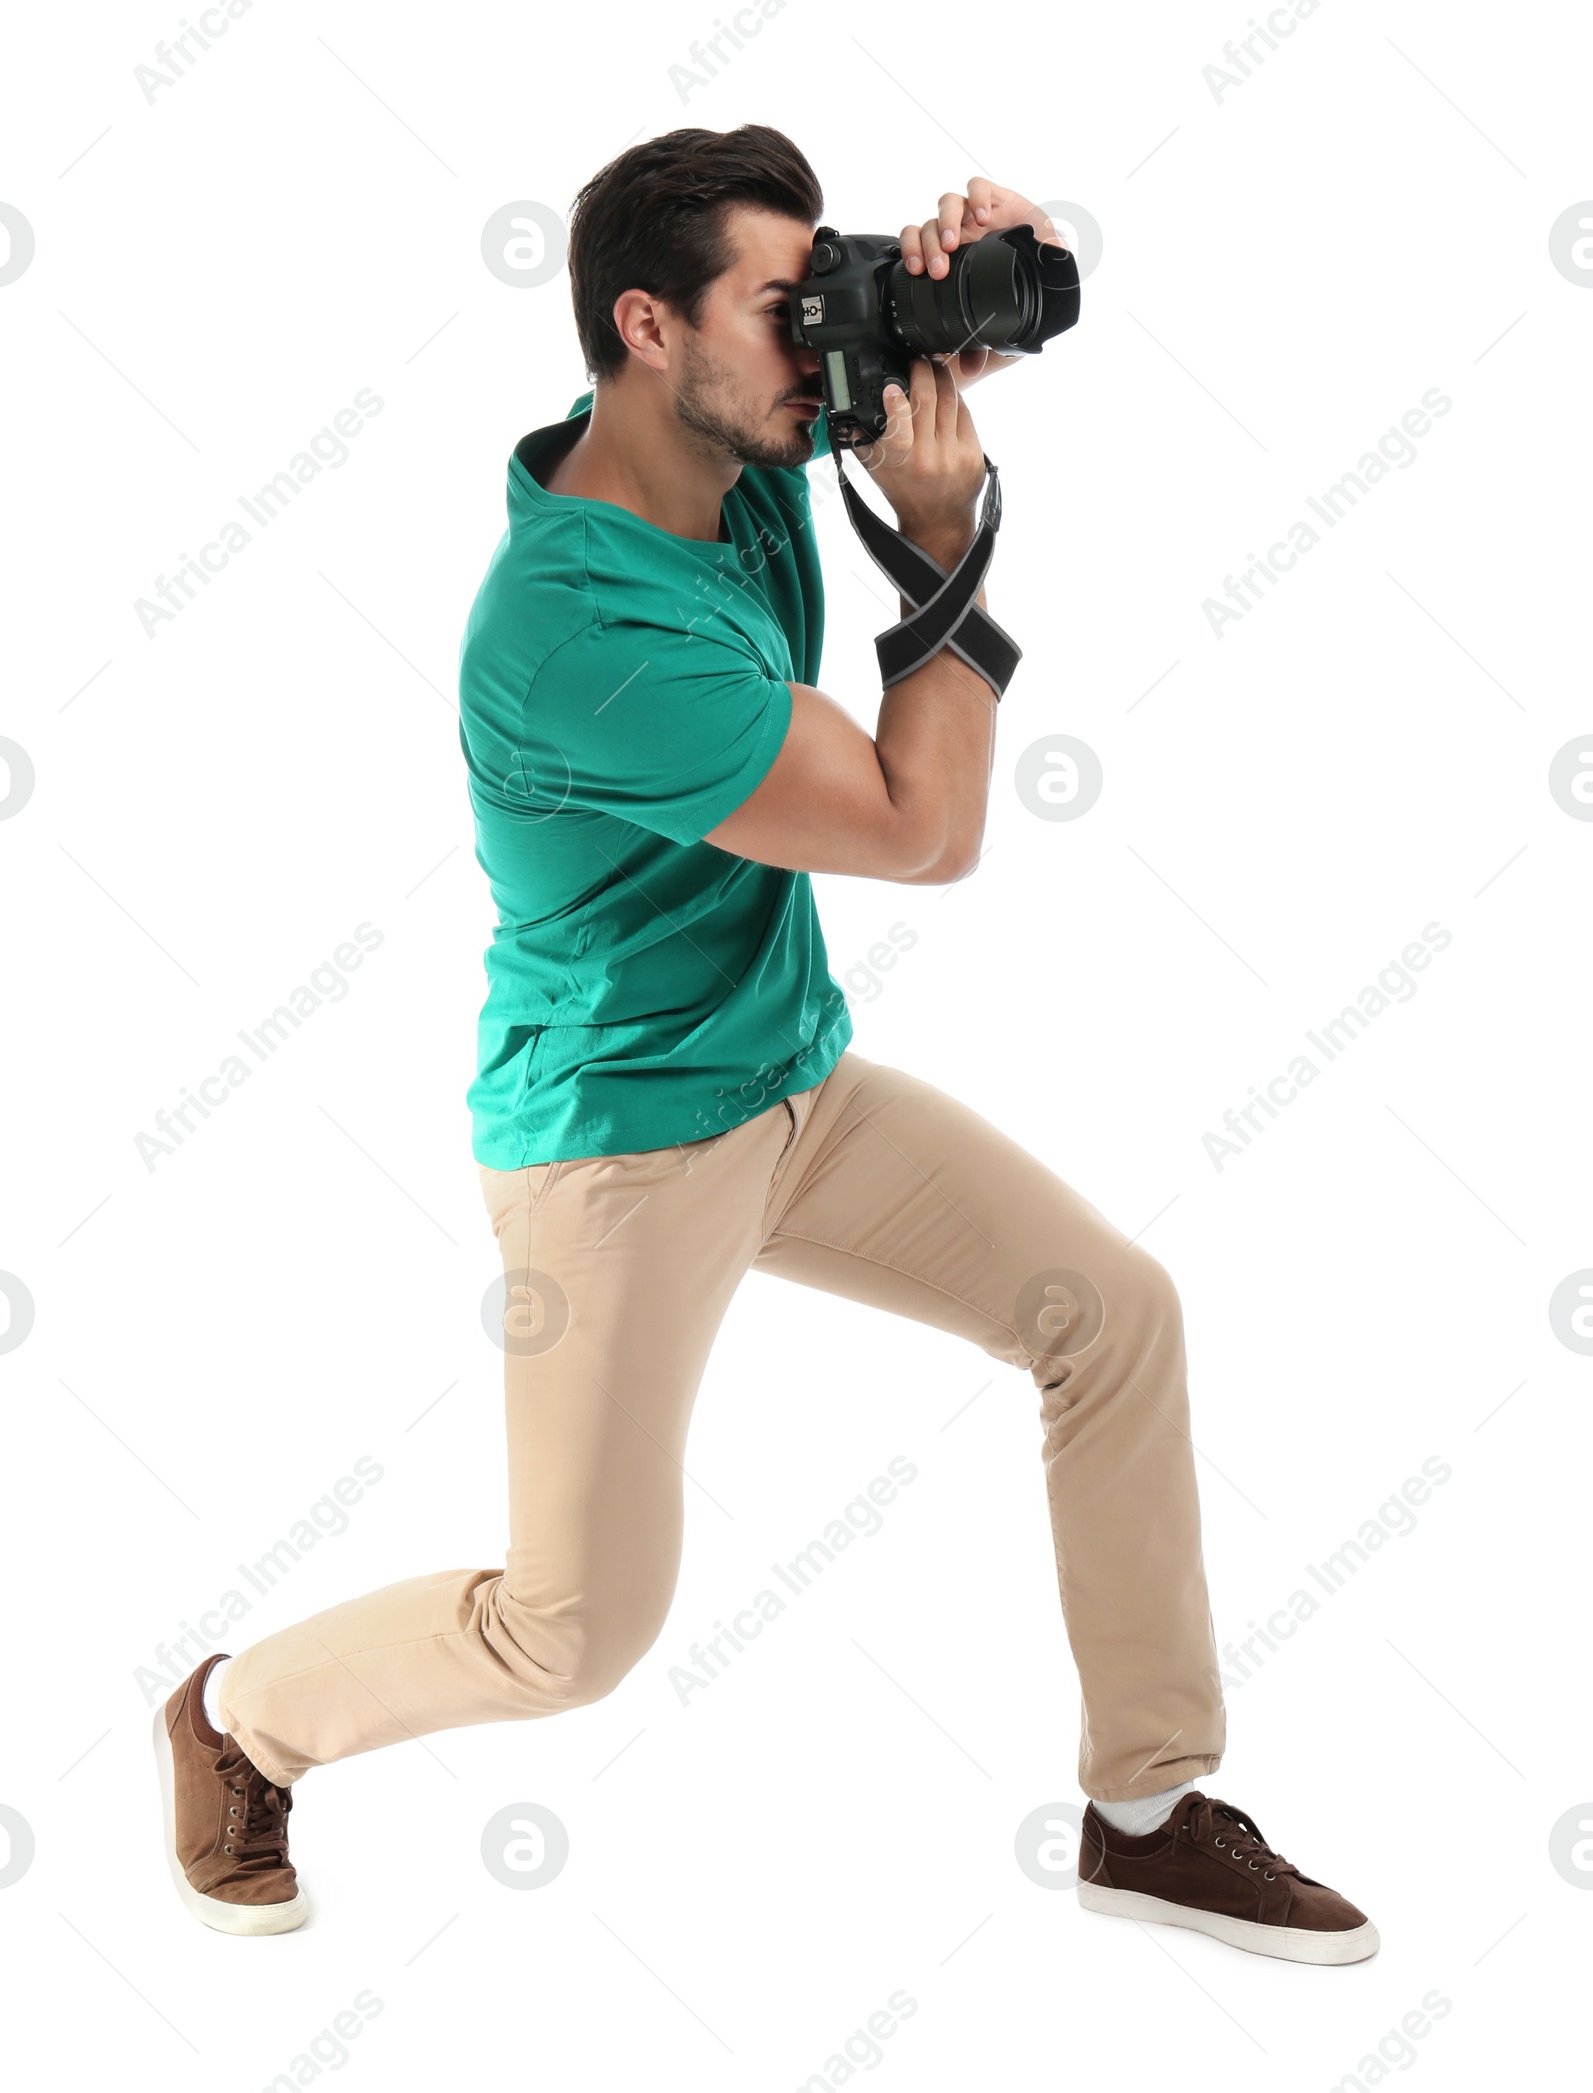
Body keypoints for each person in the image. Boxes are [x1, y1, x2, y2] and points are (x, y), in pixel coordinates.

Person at [153, 124, 1376, 1963]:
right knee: (572, 1632)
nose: (828, 349)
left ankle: (1145, 1813)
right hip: (623, 1136)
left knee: (1110, 1312)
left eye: (828, 299)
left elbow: (977, 320)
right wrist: (950, 543)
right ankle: (239, 1713)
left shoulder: (738, 438)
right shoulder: (574, 628)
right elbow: (918, 829)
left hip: (789, 1080)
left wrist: (995, 252)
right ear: (648, 325)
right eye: (785, 310)